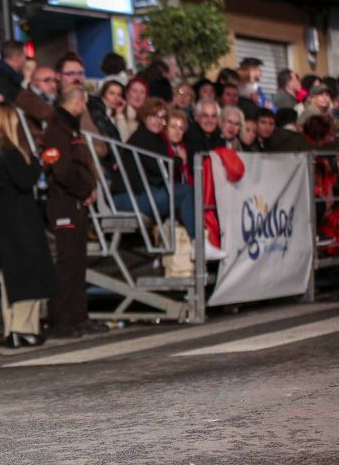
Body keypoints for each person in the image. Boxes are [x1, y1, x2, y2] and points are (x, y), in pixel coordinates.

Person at [0, 106, 59, 348]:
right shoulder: (11, 153)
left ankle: (13, 328)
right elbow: (25, 180)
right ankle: (25, 328)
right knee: (29, 268)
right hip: (22, 215)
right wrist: (39, 162)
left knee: (11, 273)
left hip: (4, 214)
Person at [41, 87, 106, 338]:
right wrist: (84, 190)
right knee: (67, 263)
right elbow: (62, 170)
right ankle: (61, 320)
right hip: (65, 203)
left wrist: (89, 187)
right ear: (77, 101)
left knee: (78, 262)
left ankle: (79, 317)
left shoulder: (70, 127)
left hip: (76, 203)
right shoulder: (58, 129)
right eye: (84, 102)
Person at [111, 99, 212, 255]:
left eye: (162, 117)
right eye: (154, 116)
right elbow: (161, 167)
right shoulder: (142, 136)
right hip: (127, 197)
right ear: (145, 117)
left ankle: (189, 246)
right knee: (185, 192)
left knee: (184, 193)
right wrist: (180, 160)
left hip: (142, 193)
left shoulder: (156, 139)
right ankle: (198, 244)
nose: (158, 121)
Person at [14, 65, 59, 141]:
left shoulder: (56, 99)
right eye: (47, 80)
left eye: (55, 81)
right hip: (33, 144)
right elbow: (45, 113)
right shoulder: (25, 97)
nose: (53, 85)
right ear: (34, 82)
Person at [164, 110, 193, 184]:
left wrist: (184, 162)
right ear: (165, 128)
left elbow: (189, 180)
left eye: (181, 128)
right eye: (173, 127)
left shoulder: (184, 147)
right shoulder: (161, 146)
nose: (177, 132)